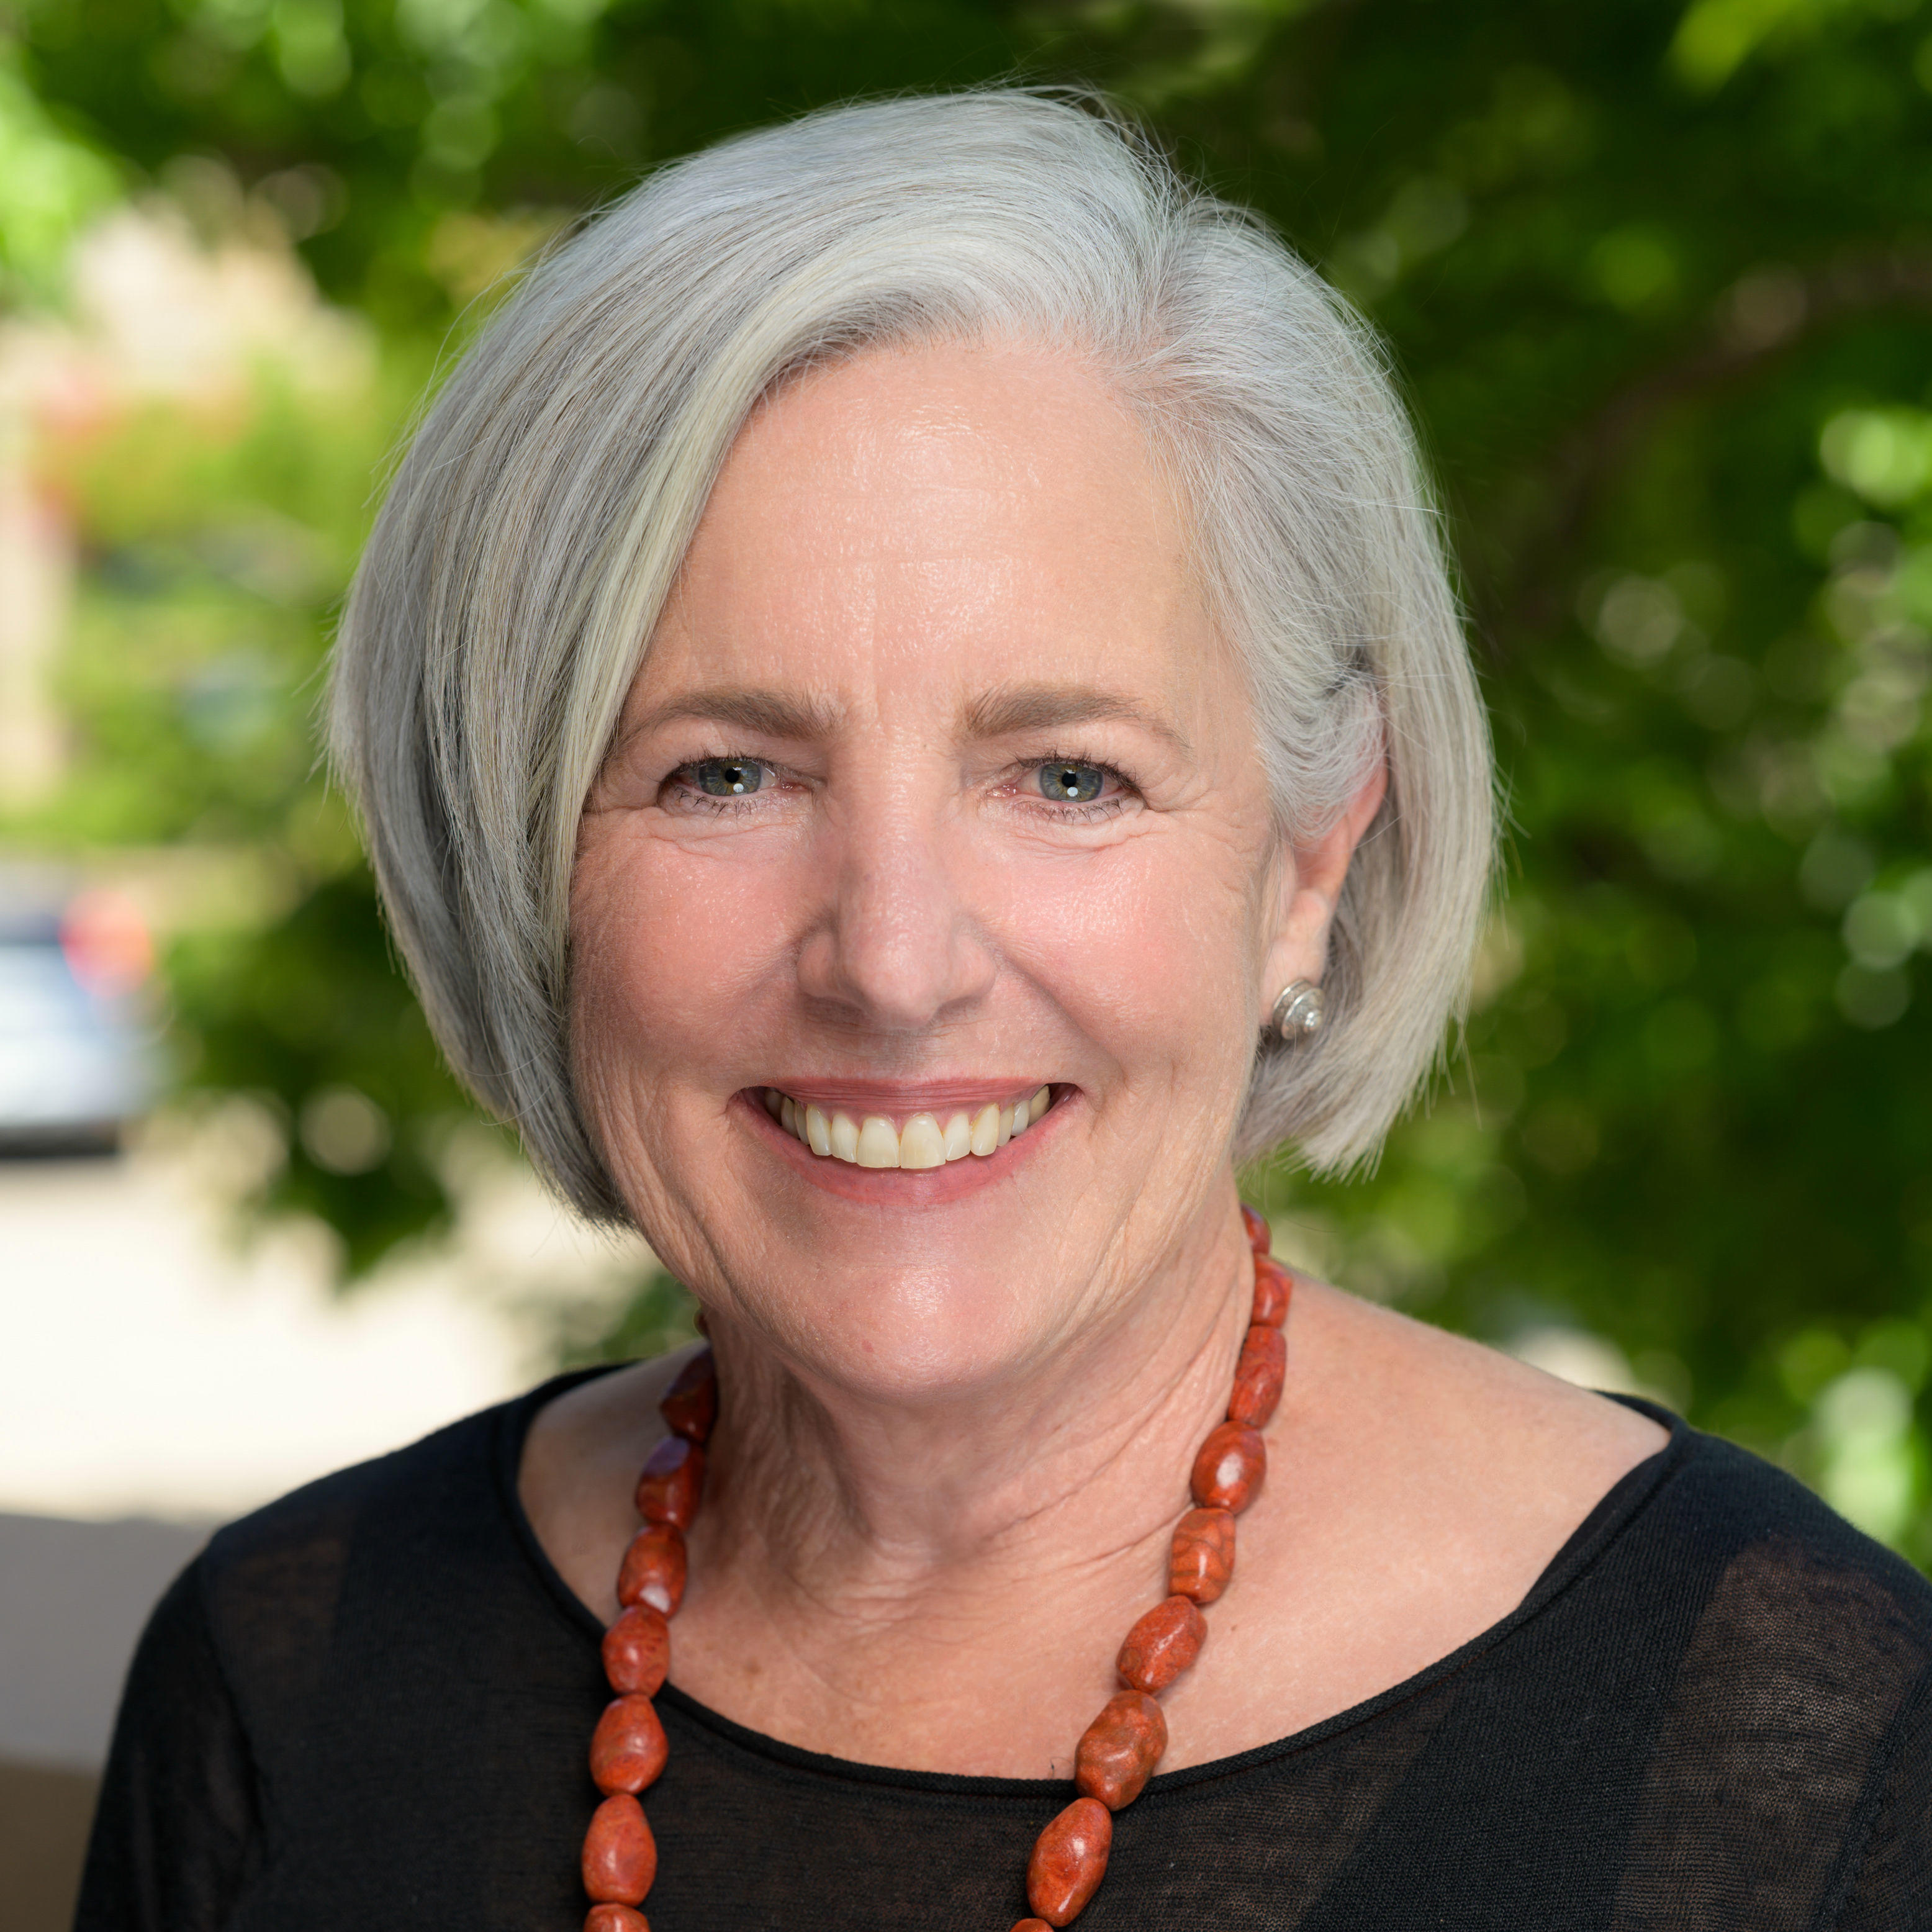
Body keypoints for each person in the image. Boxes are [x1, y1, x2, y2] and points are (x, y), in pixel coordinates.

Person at [78, 91, 1932, 1932]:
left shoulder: (1808, 1750)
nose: (894, 961)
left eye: (1066, 776)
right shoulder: (285, 1674)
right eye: (725, 774)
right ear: (517, 856)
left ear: (1309, 863)